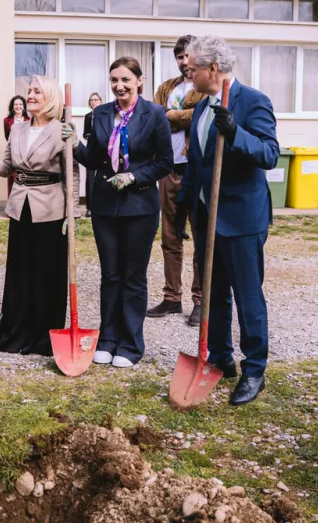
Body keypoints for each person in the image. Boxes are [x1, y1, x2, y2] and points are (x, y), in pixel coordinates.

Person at [176, 35, 279, 406]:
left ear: (213, 69)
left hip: (240, 217)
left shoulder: (253, 101)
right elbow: (197, 163)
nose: (189, 75)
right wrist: (183, 204)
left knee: (248, 295)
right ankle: (220, 356)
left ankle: (255, 369)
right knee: (213, 291)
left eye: (193, 70)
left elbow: (269, 154)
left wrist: (236, 132)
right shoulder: (202, 108)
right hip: (207, 217)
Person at [62, 57, 173, 368]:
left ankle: (130, 344)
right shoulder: (99, 114)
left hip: (139, 206)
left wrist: (135, 176)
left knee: (133, 276)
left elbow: (164, 162)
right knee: (110, 275)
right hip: (106, 205)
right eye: (114, 80)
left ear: (139, 80)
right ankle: (108, 339)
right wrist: (74, 144)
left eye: (125, 79)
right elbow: (96, 160)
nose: (119, 86)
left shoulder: (154, 114)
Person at [0, 77, 75, 356]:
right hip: (20, 206)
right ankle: (16, 335)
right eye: (28, 91)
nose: (30, 95)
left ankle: (43, 338)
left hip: (51, 208)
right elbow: (6, 167)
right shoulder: (17, 129)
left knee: (46, 274)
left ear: (50, 97)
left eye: (37, 91)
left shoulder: (61, 131)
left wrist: (72, 212)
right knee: (20, 273)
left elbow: (72, 174)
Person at [147, 35, 203, 320]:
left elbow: (200, 116)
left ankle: (200, 300)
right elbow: (156, 116)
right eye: (179, 57)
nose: (184, 62)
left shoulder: (206, 87)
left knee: (201, 238)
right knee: (170, 237)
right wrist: (172, 114)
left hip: (195, 170)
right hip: (167, 169)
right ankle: (172, 297)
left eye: (188, 56)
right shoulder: (167, 87)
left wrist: (173, 114)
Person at [4, 95, 30, 197]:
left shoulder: (29, 119)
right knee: (12, 178)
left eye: (20, 104)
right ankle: (12, 208)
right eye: (16, 104)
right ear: (12, 106)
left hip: (26, 153)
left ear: (23, 107)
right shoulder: (6, 120)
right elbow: (7, 136)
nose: (18, 106)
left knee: (24, 179)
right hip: (13, 152)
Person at [82, 92, 103, 217]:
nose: (94, 102)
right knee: (90, 179)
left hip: (103, 150)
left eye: (96, 99)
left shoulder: (105, 115)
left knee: (103, 177)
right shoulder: (88, 116)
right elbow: (85, 133)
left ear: (100, 101)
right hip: (91, 150)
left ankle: (102, 205)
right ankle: (89, 207)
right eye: (91, 100)